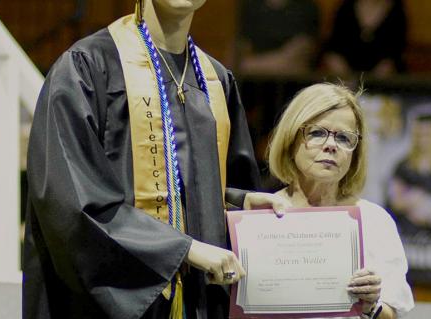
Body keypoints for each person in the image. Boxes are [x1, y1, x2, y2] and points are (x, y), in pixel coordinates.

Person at [23, 1, 288, 318]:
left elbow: (199, 187)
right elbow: (70, 203)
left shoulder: (215, 81)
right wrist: (182, 249)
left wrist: (239, 204)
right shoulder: (88, 68)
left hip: (199, 301)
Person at [267, 83, 414, 318]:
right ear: (291, 139)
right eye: (316, 133)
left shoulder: (375, 221)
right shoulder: (259, 216)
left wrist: (371, 305)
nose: (331, 145)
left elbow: (392, 315)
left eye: (344, 138)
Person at [385, 107, 431, 282]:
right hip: (407, 245)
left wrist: (423, 208)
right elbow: (390, 207)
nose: (424, 139)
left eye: (428, 134)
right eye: (420, 134)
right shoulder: (402, 167)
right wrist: (407, 203)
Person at [322, 0, 407, 77]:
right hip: (344, 81)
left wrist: (377, 79)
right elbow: (332, 49)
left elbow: (397, 52)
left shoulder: (397, 12)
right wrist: (344, 76)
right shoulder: (344, 8)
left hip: (385, 82)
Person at [238, 0, 320, 76]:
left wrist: (250, 65)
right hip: (254, 85)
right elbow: (236, 62)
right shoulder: (251, 6)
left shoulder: (306, 7)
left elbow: (297, 61)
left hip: (293, 84)